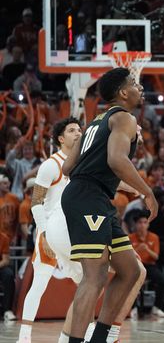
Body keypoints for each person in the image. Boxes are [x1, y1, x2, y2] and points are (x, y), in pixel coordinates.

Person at [60, 68, 156, 343]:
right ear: (123, 92)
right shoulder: (124, 118)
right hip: (88, 197)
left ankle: (99, 338)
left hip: (93, 195)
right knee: (95, 276)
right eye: (135, 84)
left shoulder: (93, 123)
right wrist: (146, 191)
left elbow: (68, 167)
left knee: (130, 270)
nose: (140, 88)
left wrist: (106, 178)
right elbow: (116, 160)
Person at [17, 117, 86, 341]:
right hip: (50, 233)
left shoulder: (82, 163)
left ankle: (79, 334)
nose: (78, 133)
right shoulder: (51, 165)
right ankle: (24, 337)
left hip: (72, 234)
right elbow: (36, 202)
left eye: (79, 129)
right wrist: (44, 234)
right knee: (39, 285)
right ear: (60, 138)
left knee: (88, 284)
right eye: (72, 130)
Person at [128, 213, 164, 318]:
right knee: (129, 281)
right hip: (136, 265)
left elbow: (156, 257)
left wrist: (146, 249)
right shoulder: (129, 238)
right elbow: (128, 256)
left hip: (150, 265)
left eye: (145, 222)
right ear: (135, 225)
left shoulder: (154, 237)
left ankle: (157, 308)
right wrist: (138, 250)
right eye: (140, 222)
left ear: (148, 225)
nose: (142, 225)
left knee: (163, 281)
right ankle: (133, 308)